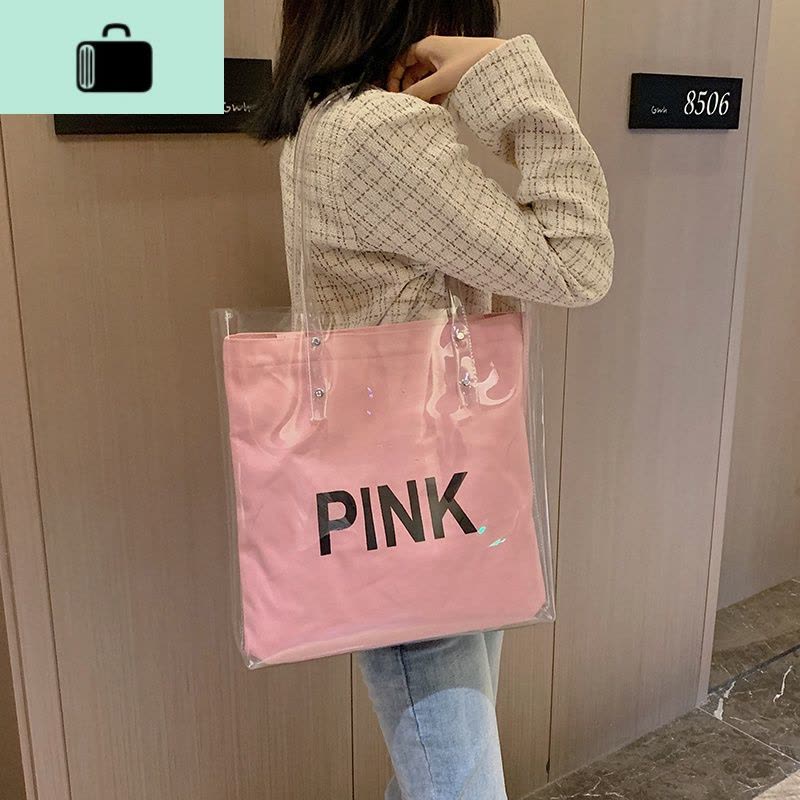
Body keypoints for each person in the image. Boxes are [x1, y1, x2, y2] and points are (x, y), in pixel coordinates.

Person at [248, 1, 614, 797]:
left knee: (438, 774)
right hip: (421, 508)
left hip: (409, 493)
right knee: (456, 783)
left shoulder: (324, 119)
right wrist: (509, 74)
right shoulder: (378, 133)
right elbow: (577, 260)